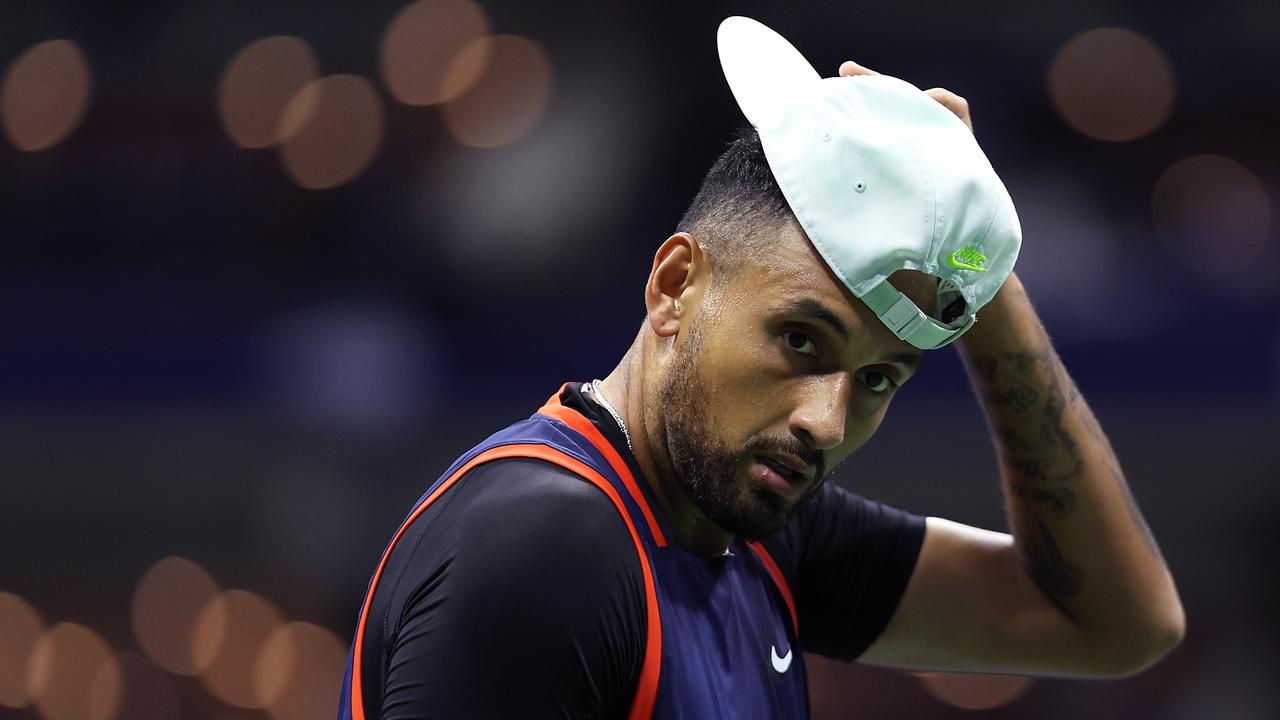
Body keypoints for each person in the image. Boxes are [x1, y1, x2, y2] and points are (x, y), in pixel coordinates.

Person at [337, 17, 1183, 720]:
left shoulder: (756, 533)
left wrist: (972, 264)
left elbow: (1115, 624)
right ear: (675, 286)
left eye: (880, 378)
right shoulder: (548, 552)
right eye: (801, 341)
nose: (825, 420)